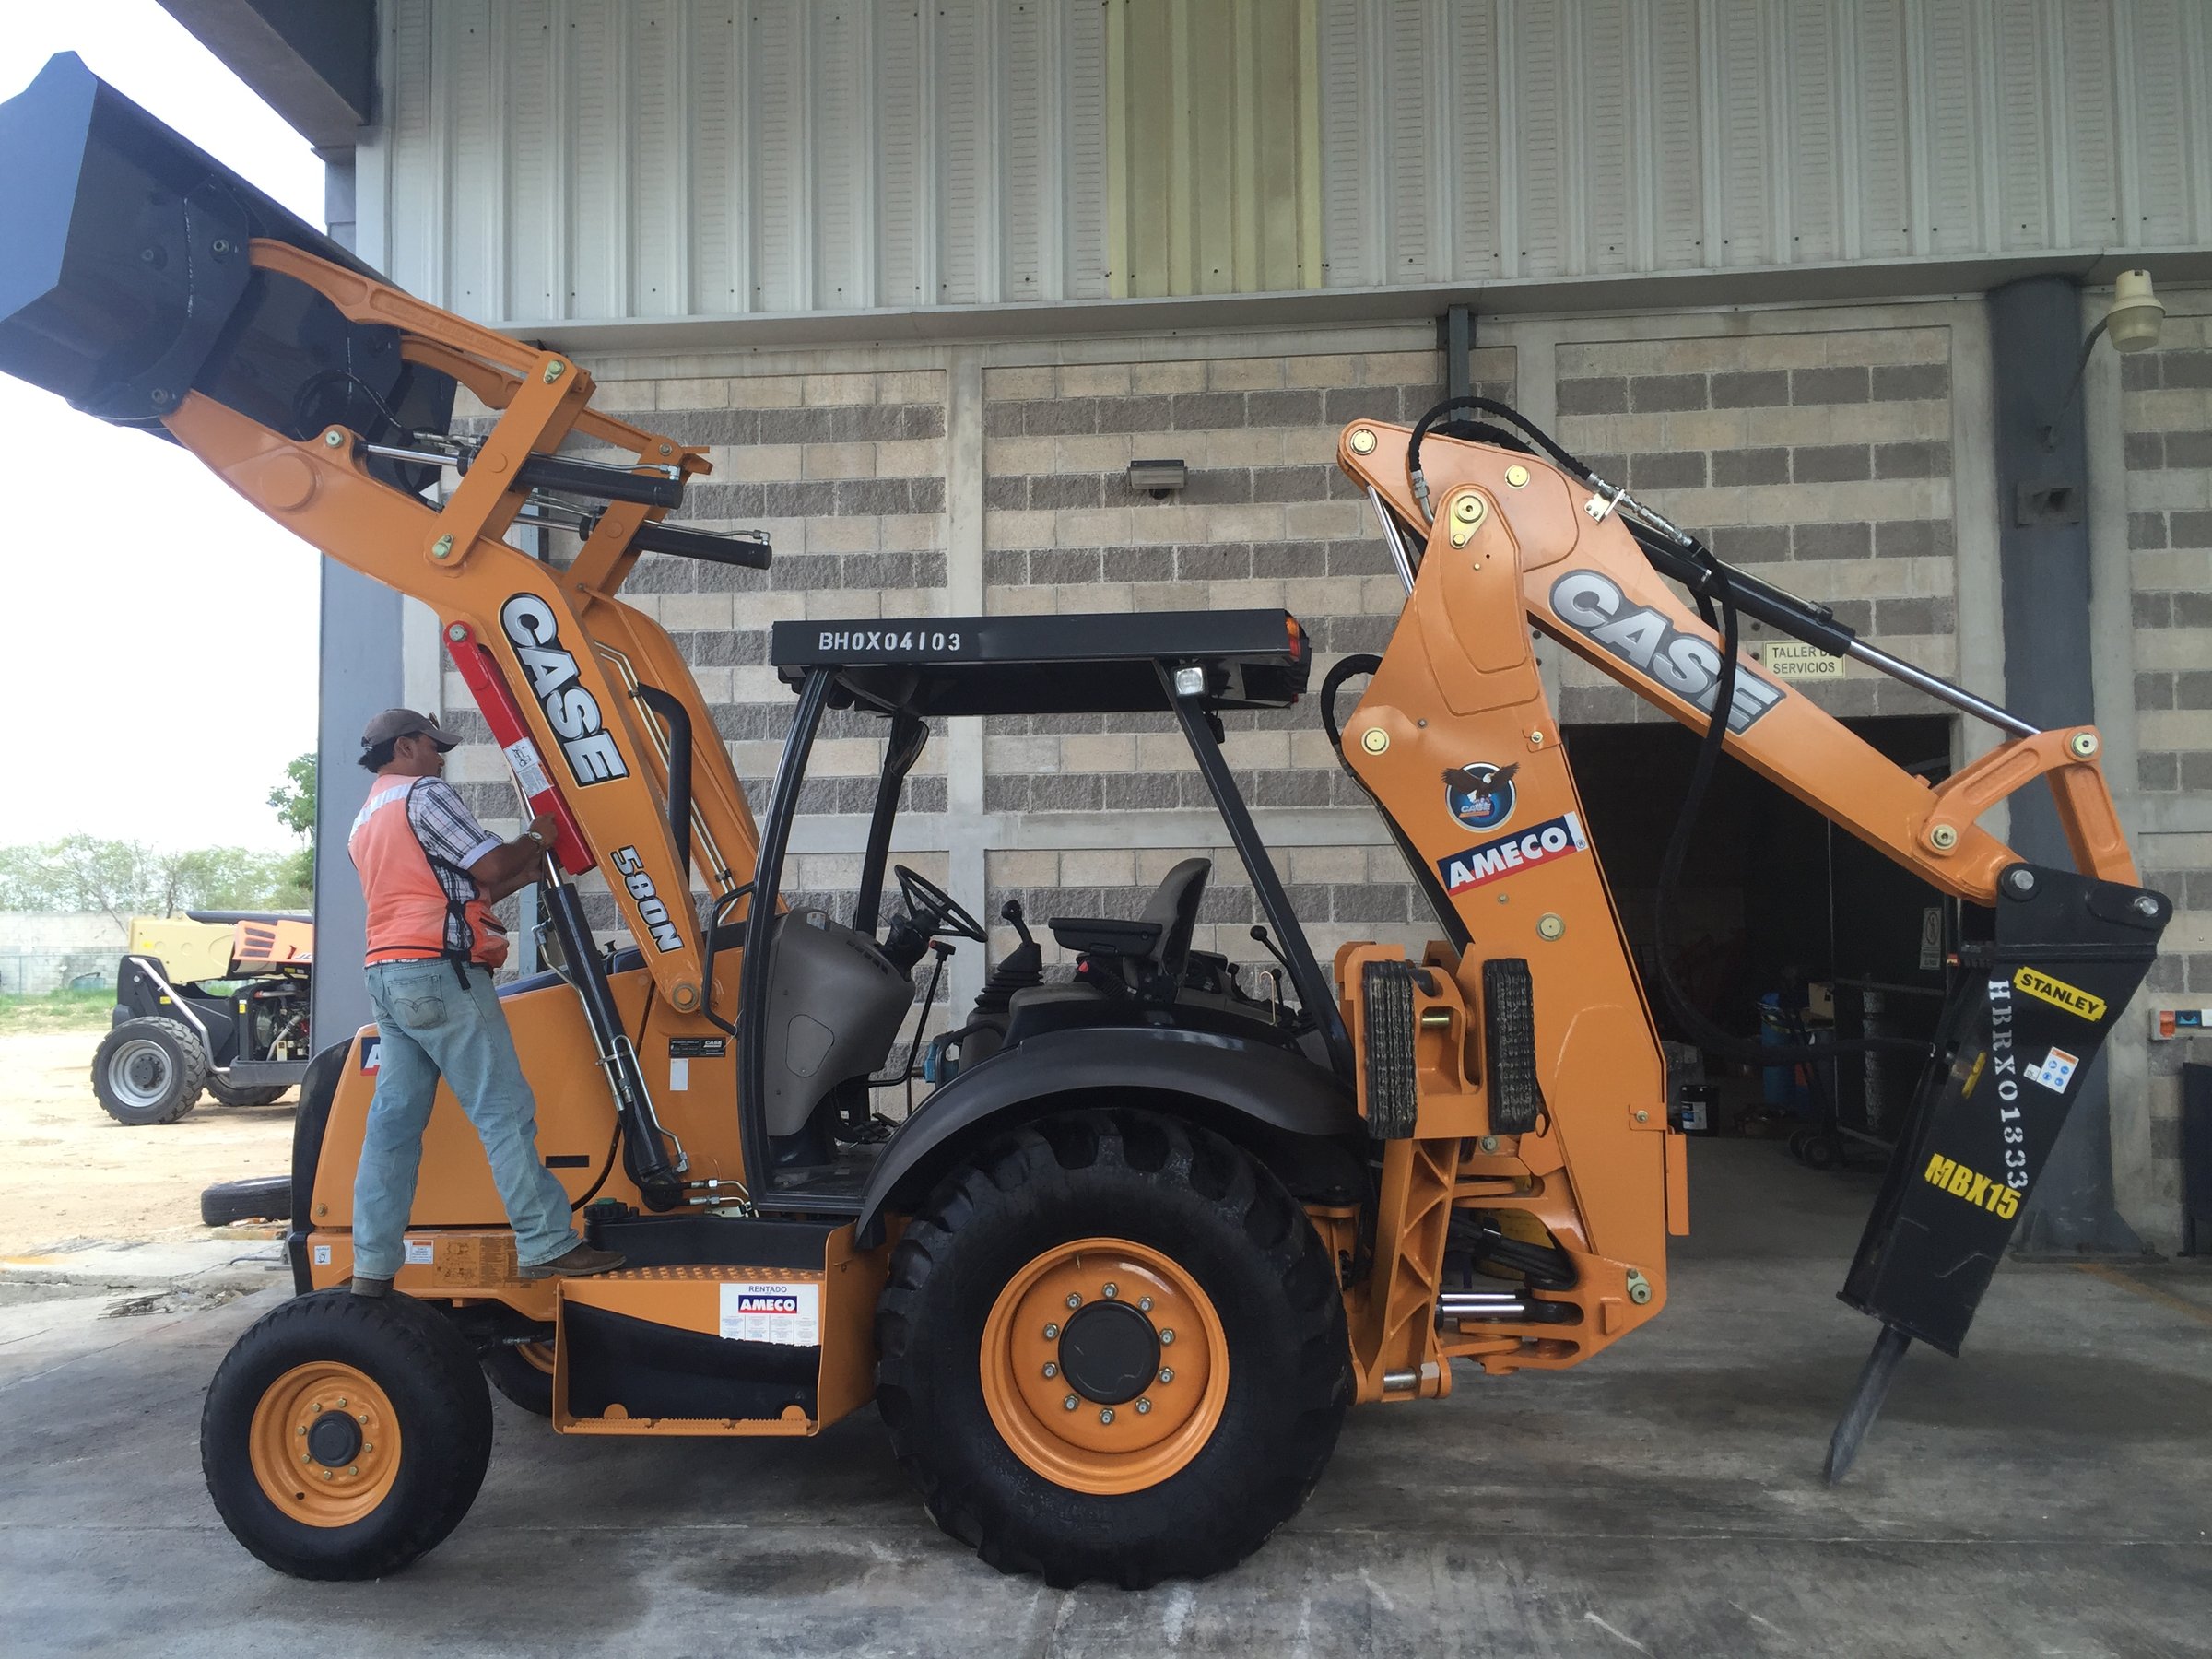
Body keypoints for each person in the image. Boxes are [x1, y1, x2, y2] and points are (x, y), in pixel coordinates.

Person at [346, 708, 622, 1294]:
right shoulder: (424, 794)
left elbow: (472, 886)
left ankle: (371, 1268)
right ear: (406, 747)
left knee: (393, 1126)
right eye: (433, 745)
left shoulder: (366, 818)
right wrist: (537, 836)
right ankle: (547, 1243)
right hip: (441, 973)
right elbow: (491, 862)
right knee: (503, 1110)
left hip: (389, 976)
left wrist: (532, 865)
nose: (441, 756)